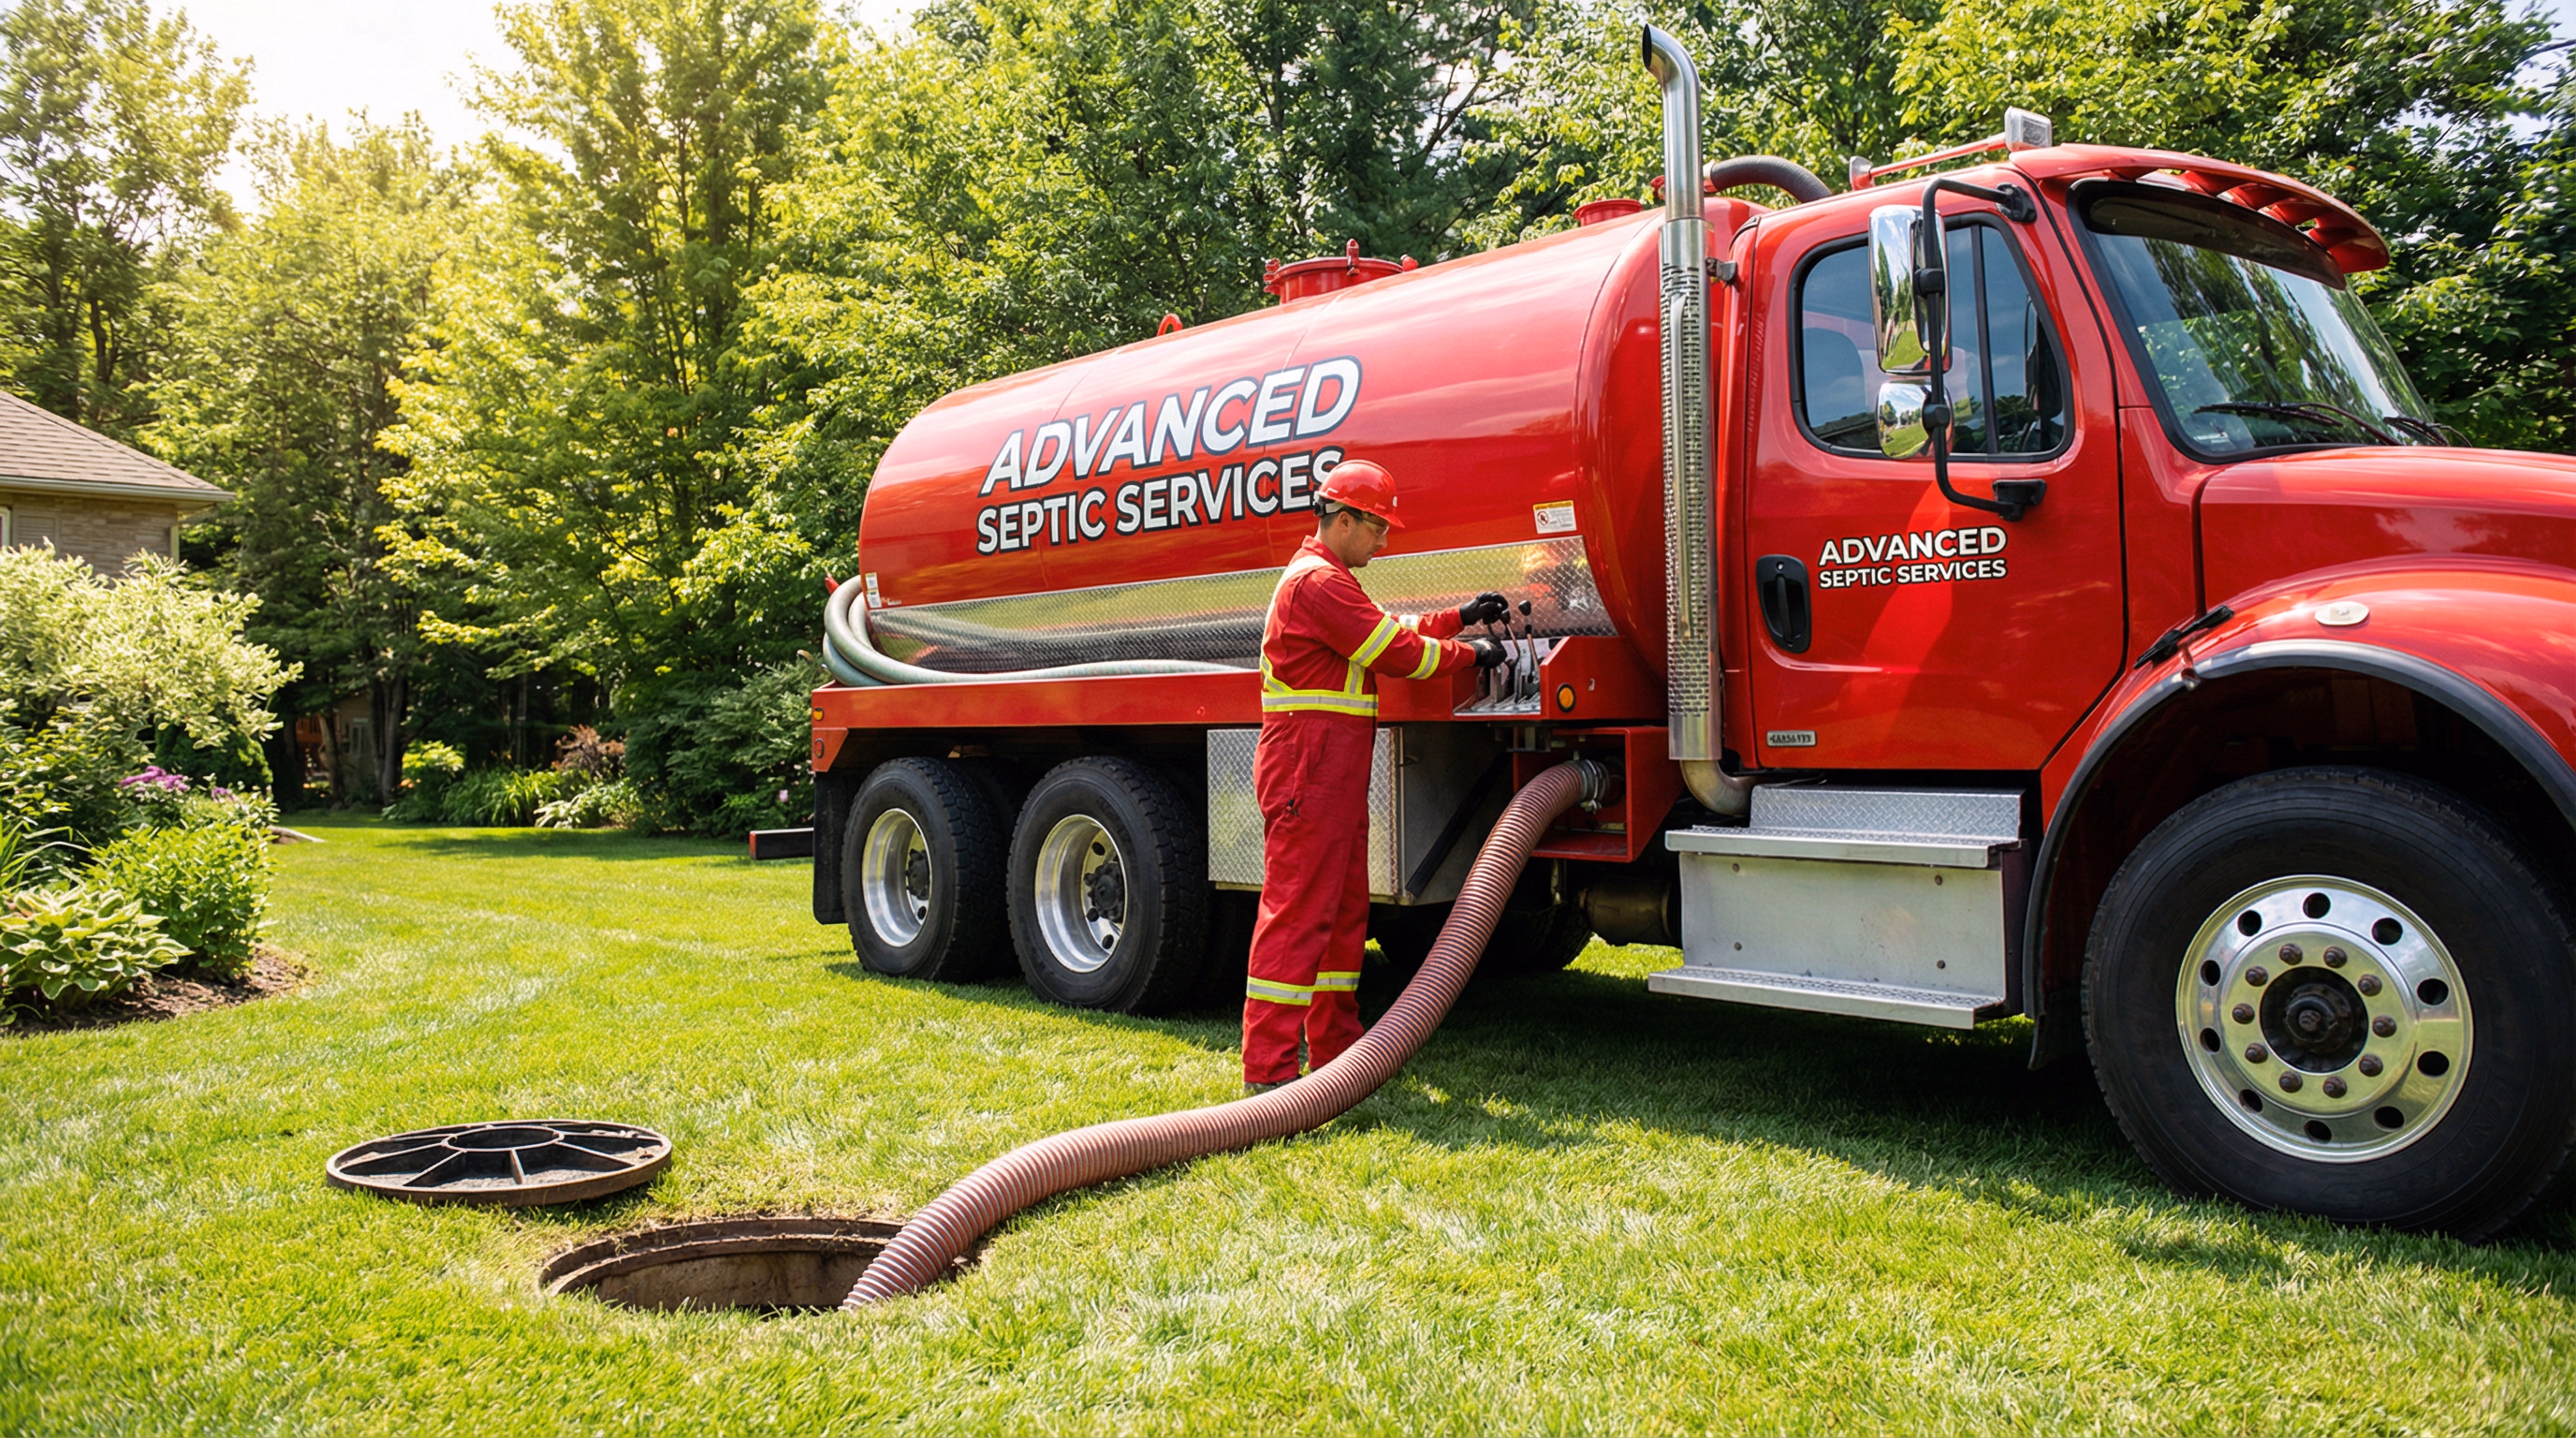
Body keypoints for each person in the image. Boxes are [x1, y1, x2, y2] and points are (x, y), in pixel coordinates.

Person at [1242, 458, 1509, 1093]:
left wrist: (1459, 617)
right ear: (1344, 519)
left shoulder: (1331, 581)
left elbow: (1387, 630)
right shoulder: (1318, 584)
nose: (1386, 540)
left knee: (1339, 915)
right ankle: (1269, 1072)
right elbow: (1396, 653)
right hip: (1311, 768)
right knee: (1300, 913)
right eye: (1379, 526)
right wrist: (1470, 654)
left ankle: (1336, 1053)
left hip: (1328, 769)